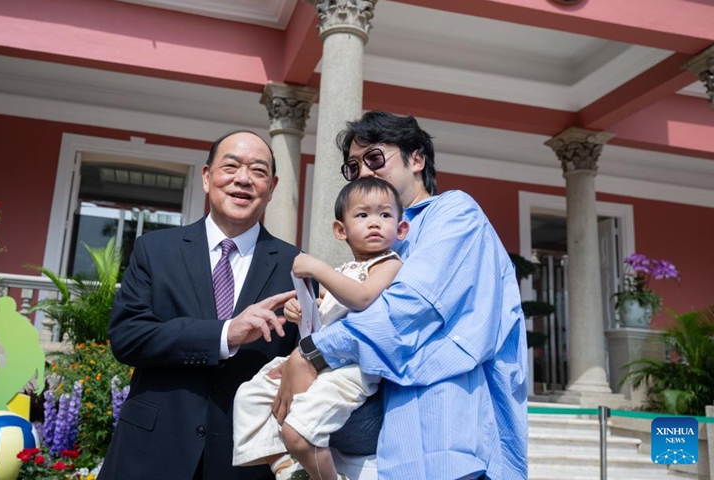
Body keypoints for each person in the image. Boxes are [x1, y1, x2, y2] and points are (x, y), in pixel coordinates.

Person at [274, 111, 529, 480]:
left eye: (374, 158)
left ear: (417, 159)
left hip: (442, 430)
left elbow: (411, 308)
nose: (363, 172)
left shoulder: (454, 214)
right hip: (386, 437)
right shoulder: (386, 241)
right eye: (353, 167)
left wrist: (312, 352)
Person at [99, 130, 300, 480]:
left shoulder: (295, 266)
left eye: (258, 171)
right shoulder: (155, 250)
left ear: (272, 186)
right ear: (207, 177)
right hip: (152, 453)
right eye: (231, 166)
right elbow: (128, 336)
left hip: (247, 461)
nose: (243, 179)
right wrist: (225, 334)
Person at [233, 178, 409, 480]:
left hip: (350, 369)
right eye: (363, 215)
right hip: (317, 363)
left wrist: (317, 268)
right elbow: (324, 311)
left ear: (401, 229)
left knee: (300, 430)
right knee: (249, 395)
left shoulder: (388, 264)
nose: (375, 223)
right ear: (341, 230)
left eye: (385, 215)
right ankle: (286, 467)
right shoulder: (344, 271)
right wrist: (298, 310)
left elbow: (362, 297)